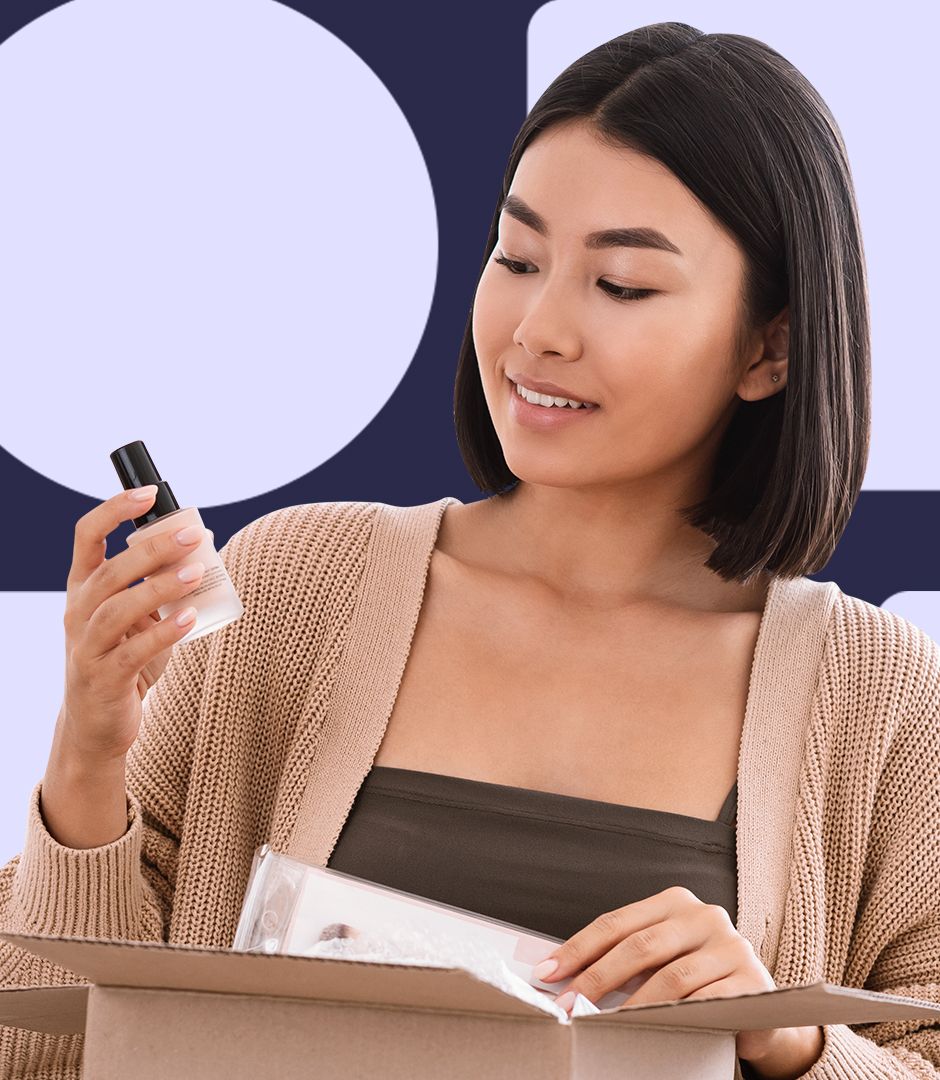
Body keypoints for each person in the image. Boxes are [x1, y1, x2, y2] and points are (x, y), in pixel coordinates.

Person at [2, 21, 938, 1080]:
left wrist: (788, 1040)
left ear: (770, 347)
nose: (537, 329)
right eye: (517, 258)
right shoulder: (296, 586)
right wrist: (86, 759)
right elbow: (40, 1050)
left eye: (621, 285)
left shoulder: (881, 696)